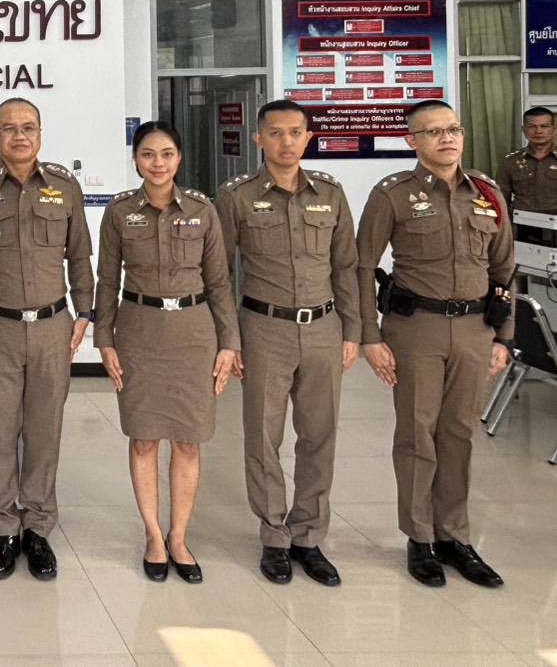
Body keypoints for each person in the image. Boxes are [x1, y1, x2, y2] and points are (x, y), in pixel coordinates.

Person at [357, 99, 514, 588]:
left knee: (458, 434)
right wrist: (369, 336)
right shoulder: (393, 194)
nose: (447, 138)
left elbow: (504, 269)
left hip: (474, 329)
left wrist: (504, 337)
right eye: (433, 131)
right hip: (416, 328)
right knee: (416, 433)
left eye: (454, 129)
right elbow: (362, 266)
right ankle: (420, 538)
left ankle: (454, 537)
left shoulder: (486, 193)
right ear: (412, 141)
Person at [0, 97, 94, 581]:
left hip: (52, 326)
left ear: (41, 133)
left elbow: (80, 255)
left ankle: (38, 528)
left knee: (45, 431)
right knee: (0, 432)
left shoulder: (63, 187)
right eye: (9, 128)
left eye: (28, 127)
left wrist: (85, 312)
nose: (19, 136)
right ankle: (5, 528)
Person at [215, 100, 359, 587]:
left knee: (319, 435)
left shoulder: (330, 193)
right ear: (259, 140)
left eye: (296, 132)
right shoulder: (236, 196)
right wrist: (229, 338)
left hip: (323, 329)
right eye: (275, 133)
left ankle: (309, 536)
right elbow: (218, 273)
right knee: (263, 436)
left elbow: (346, 267)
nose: (286, 142)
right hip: (263, 328)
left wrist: (353, 331)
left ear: (309, 137)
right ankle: (274, 535)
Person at [95, 120, 239, 584]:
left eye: (167, 154)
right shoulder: (119, 212)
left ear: (179, 158)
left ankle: (179, 537)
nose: (158, 163)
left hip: (193, 333)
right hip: (139, 331)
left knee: (187, 439)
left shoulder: (202, 210)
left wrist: (229, 342)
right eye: (148, 154)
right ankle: (153, 536)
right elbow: (106, 280)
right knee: (143, 438)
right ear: (135, 160)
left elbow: (220, 282)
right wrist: (104, 339)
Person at [496, 106, 557, 214]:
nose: (538, 131)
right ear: (524, 130)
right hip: (521, 222)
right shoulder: (510, 161)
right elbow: (501, 200)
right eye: (532, 126)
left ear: (554, 129)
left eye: (544, 126)